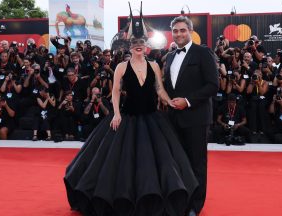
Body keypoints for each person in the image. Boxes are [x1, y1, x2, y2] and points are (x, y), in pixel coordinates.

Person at [64, 5, 199, 216]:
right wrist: (116, 113)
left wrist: (170, 101)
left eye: (142, 43)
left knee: (157, 162)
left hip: (152, 119)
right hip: (127, 118)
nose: (138, 46)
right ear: (129, 46)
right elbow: (116, 91)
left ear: (146, 46)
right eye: (135, 43)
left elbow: (159, 89)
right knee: (120, 162)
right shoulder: (121, 67)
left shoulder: (154, 65)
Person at [164, 16, 219, 216]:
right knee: (178, 163)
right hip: (173, 119)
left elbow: (213, 85)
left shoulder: (203, 53)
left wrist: (187, 101)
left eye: (182, 30)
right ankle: (180, 202)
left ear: (190, 31)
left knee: (197, 164)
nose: (178, 34)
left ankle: (195, 205)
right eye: (175, 31)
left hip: (196, 117)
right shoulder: (170, 57)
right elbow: (168, 87)